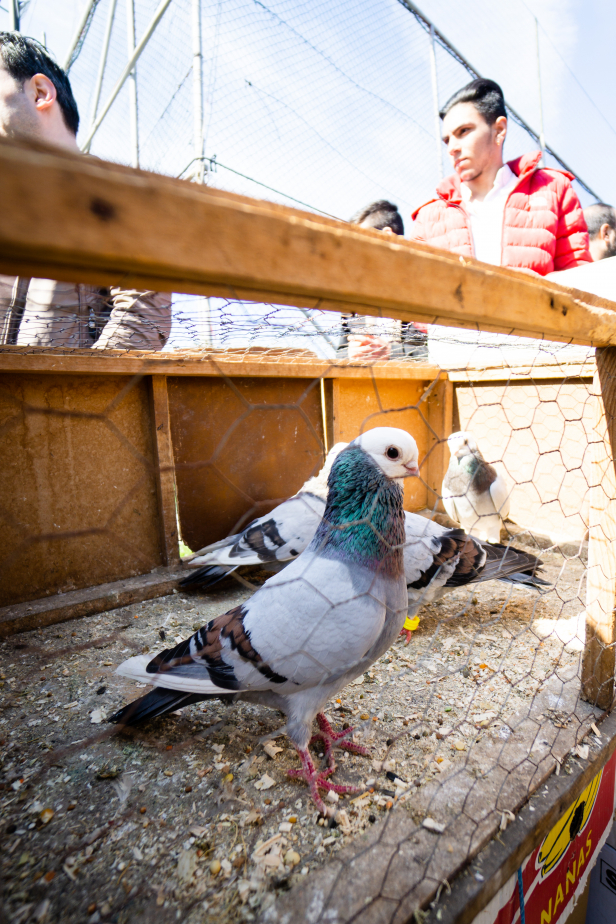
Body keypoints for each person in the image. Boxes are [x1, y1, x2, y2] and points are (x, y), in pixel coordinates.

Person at [0, 32, 172, 349]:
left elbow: (143, 312)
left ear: (39, 93)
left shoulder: (113, 192)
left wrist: (81, 392)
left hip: (70, 395)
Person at [412, 78, 591, 275]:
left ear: (499, 130)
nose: (452, 148)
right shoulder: (428, 217)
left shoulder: (553, 189)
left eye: (463, 131)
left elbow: (578, 280)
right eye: (447, 140)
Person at [337, 201, 428, 361]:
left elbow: (435, 352)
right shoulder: (351, 294)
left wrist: (389, 352)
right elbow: (341, 351)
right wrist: (351, 354)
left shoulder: (425, 285)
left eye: (359, 242)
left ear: (386, 235)